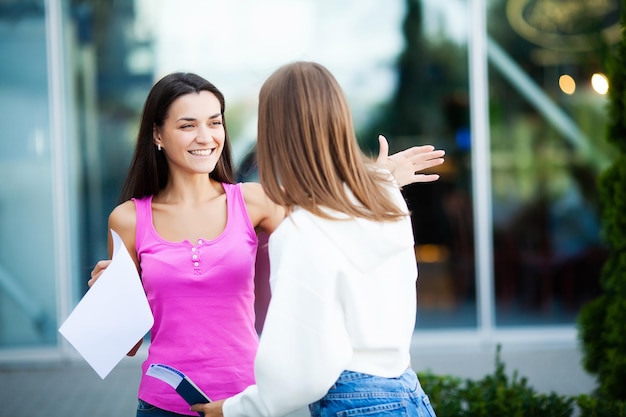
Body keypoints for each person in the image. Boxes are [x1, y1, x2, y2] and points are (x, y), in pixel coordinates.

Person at [89, 71, 444, 417]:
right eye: (187, 125)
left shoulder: (256, 201)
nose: (205, 137)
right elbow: (128, 345)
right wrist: (111, 296)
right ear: (158, 134)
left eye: (215, 123)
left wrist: (376, 182)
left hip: (242, 398)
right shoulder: (128, 219)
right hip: (162, 404)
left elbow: (333, 225)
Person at [191, 61, 438, 417]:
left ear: (275, 132)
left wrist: (235, 409)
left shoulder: (301, 229)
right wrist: (380, 176)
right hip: (407, 395)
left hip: (349, 402)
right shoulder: (385, 201)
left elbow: (299, 371)